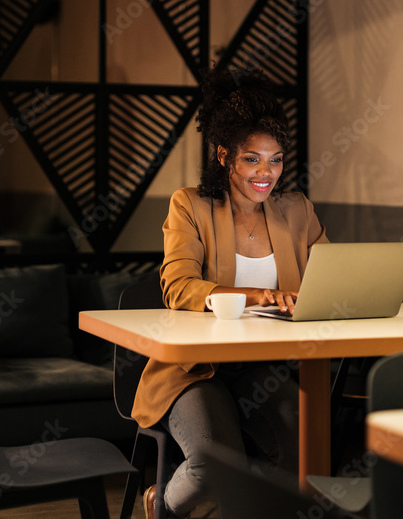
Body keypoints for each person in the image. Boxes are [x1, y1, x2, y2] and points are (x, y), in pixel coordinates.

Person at [132, 66, 329, 518]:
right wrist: (259, 295)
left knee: (304, 446)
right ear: (224, 156)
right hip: (195, 369)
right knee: (214, 465)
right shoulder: (191, 205)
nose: (267, 172)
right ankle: (159, 503)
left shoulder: (297, 211)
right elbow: (178, 286)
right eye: (252, 159)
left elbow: (331, 278)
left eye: (276, 159)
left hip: (262, 366)